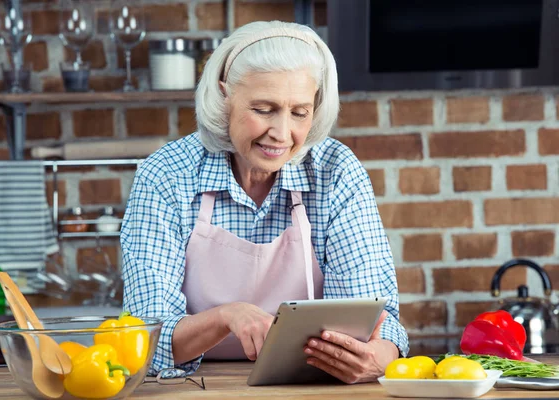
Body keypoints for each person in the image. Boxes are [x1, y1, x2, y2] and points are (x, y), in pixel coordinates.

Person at [121, 20, 409, 384]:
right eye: (263, 109)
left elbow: (376, 323)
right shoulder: (167, 175)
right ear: (224, 97)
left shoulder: (335, 173)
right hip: (195, 388)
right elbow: (143, 340)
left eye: (300, 112)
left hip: (312, 387)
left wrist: (379, 358)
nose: (282, 133)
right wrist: (227, 316)